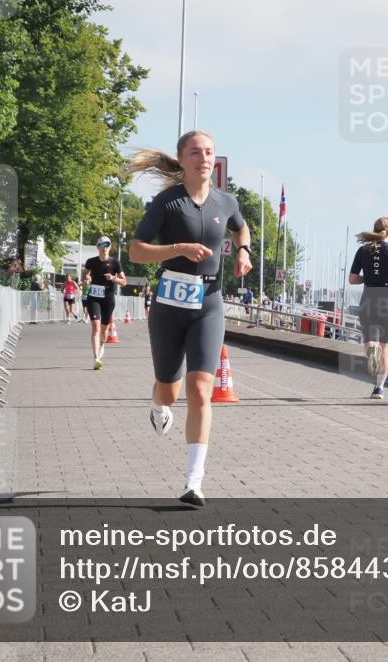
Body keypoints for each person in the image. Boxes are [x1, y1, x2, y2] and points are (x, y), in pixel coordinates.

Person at [128, 130, 252, 506]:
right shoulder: (166, 203)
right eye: (196, 152)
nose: (204, 158)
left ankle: (193, 481)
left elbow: (240, 225)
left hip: (209, 302)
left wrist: (244, 251)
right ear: (182, 159)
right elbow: (136, 251)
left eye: (209, 152)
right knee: (169, 389)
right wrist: (178, 248)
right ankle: (157, 403)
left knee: (201, 389)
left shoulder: (226, 200)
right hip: (169, 304)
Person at [348, 216, 388, 399]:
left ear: (374, 230)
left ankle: (371, 351)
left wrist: (366, 278)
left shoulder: (362, 251)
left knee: (371, 340)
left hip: (369, 298)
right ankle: (379, 388)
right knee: (386, 347)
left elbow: (352, 280)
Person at [82, 236, 126, 370]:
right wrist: (86, 279)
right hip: (94, 296)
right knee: (95, 327)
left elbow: (124, 282)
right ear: (98, 247)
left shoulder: (115, 262)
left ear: (110, 247)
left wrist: (113, 278)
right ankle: (96, 358)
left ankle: (102, 344)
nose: (104, 248)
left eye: (106, 245)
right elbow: (84, 275)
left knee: (104, 329)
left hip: (108, 296)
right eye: (101, 245)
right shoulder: (91, 261)